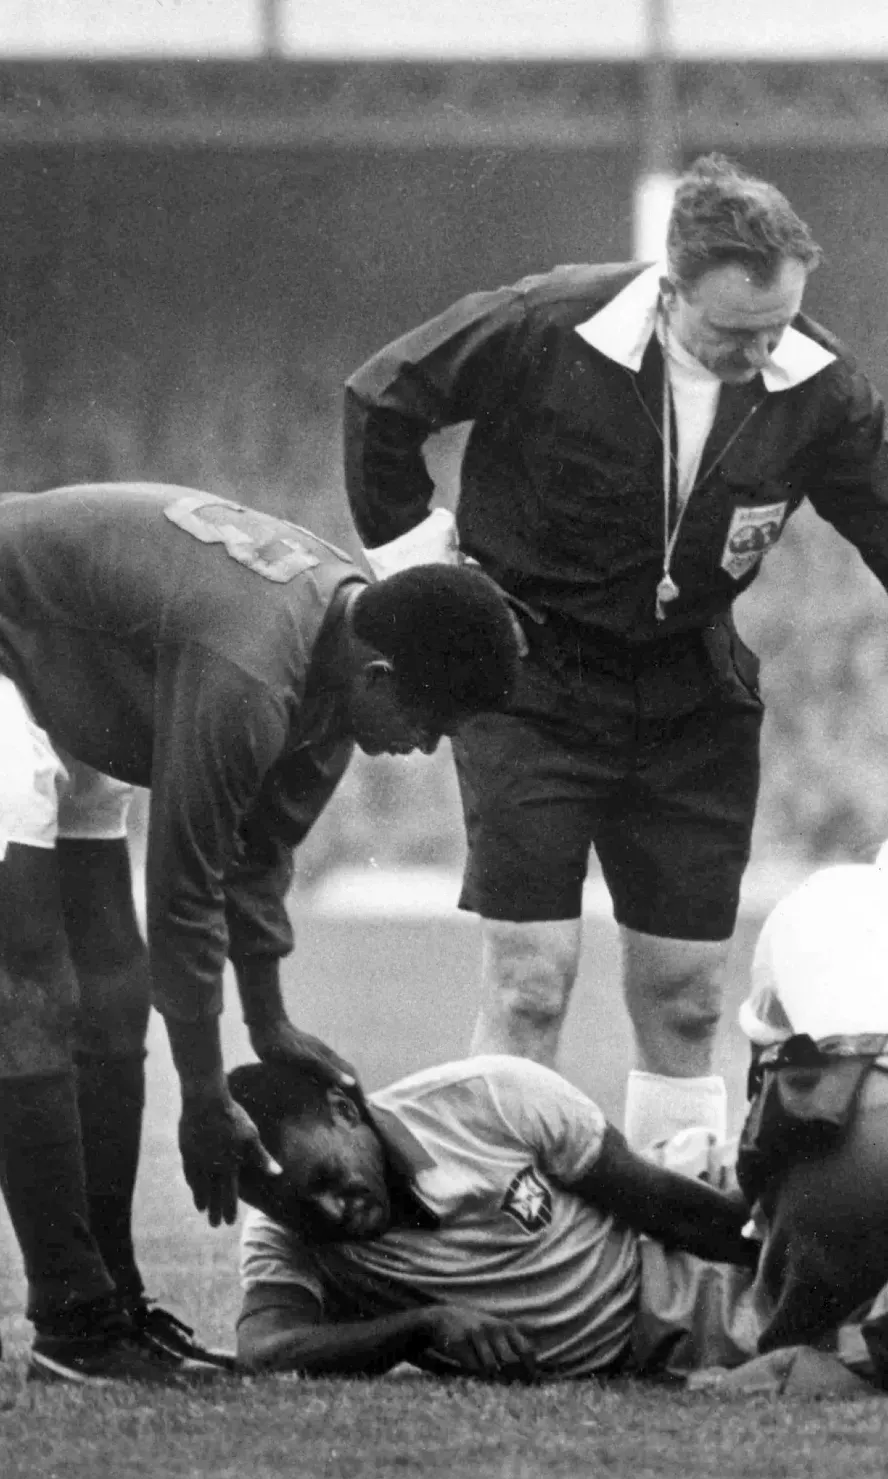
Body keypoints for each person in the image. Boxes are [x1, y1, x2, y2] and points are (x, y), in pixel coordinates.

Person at [343, 151, 888, 1155]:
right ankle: (509, 1224)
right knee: (530, 981)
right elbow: (382, 400)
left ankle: (674, 1237)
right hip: (529, 677)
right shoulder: (548, 323)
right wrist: (428, 582)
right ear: (672, 286)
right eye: (735, 332)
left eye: (777, 325)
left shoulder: (820, 385)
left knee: (688, 999)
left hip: (691, 691)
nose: (761, 350)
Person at [0, 480, 520, 1383]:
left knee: (114, 984)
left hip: (54, 662)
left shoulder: (342, 655)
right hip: (15, 638)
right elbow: (184, 892)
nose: (428, 747)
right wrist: (205, 1097)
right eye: (431, 722)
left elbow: (255, 858)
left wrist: (269, 1022)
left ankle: (111, 1302)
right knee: (32, 979)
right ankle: (73, 1320)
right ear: (381, 678)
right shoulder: (249, 671)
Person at [231, 1044, 761, 1381]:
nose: (330, 1212)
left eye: (327, 1177)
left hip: (687, 1212)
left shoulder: (491, 1095)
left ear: (345, 1111)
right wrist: (421, 1327)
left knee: (805, 1198)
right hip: (663, 1323)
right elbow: (266, 1350)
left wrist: (772, 1250)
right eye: (298, 1209)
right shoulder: (282, 1235)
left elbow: (662, 1203)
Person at [736, 843, 888, 1357]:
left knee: (809, 1342)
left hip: (842, 1147)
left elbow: (764, 1098)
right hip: (859, 1139)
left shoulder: (811, 899)